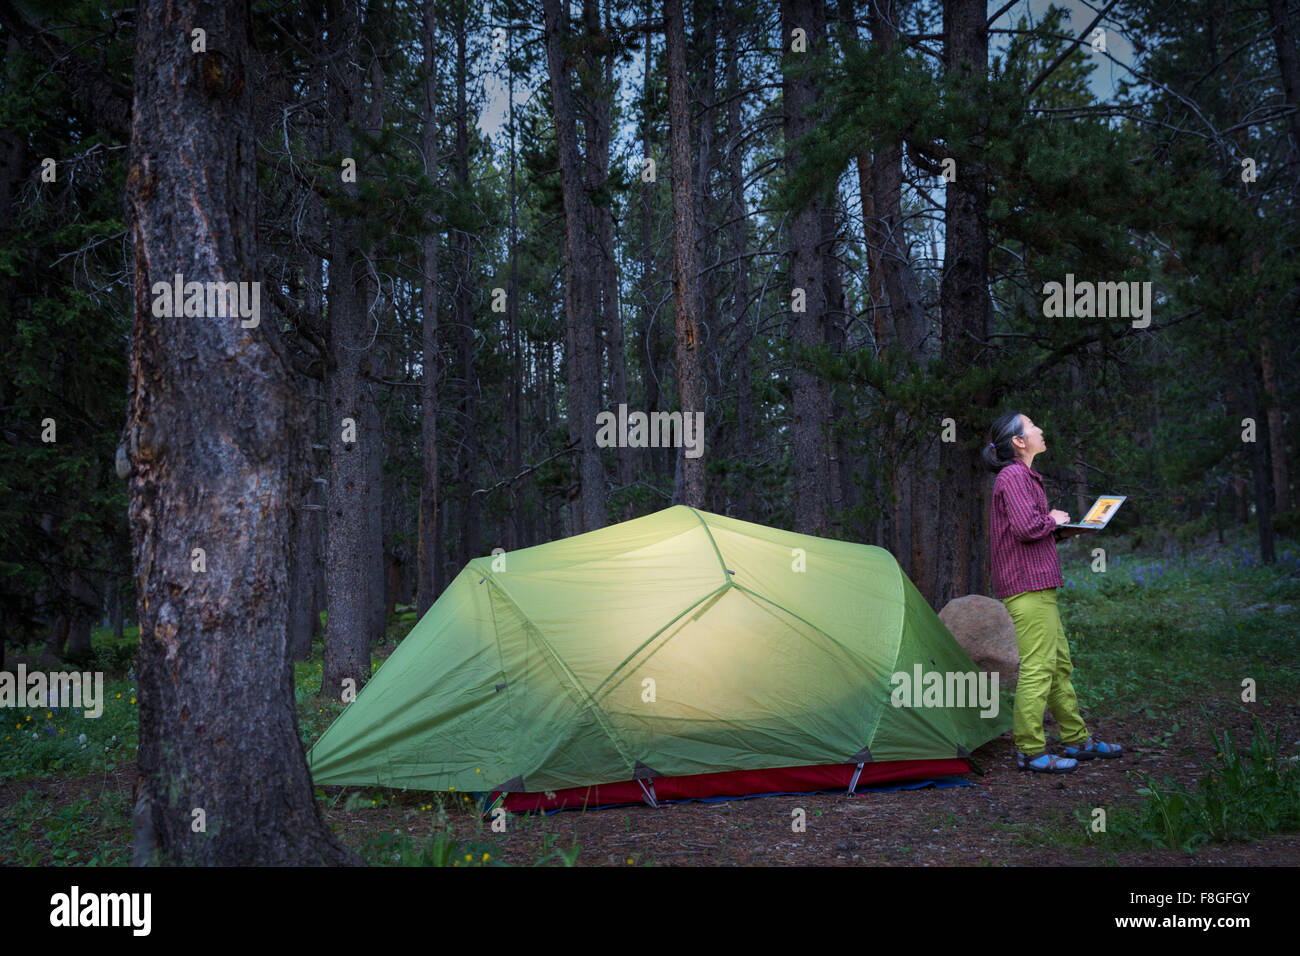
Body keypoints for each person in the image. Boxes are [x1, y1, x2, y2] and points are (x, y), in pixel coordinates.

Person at [983, 412, 1123, 773]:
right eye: (1032, 426)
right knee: (1038, 667)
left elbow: (1031, 531)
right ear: (1018, 441)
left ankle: (1077, 740)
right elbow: (1029, 527)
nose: (1040, 429)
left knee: (1059, 666)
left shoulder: (1025, 476)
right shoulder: (1012, 475)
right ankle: (1029, 750)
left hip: (1038, 583)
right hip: (1025, 585)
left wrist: (1068, 529)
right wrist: (1054, 521)